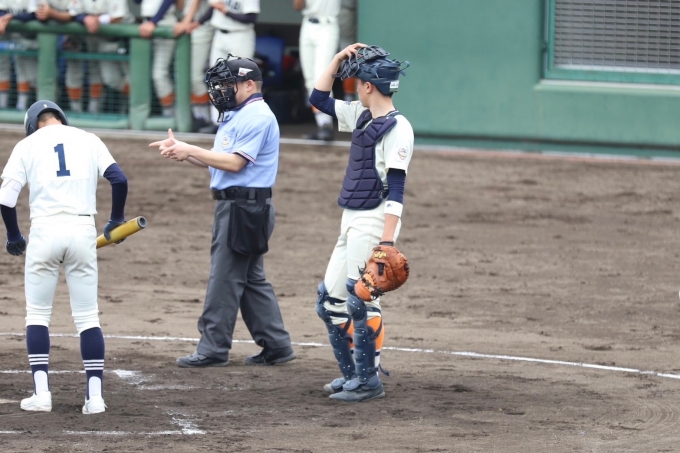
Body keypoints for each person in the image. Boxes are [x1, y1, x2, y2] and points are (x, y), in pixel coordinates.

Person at [149, 55, 295, 368]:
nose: (221, 91)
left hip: (243, 208)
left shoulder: (257, 116)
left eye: (228, 85)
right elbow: (217, 160)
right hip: (242, 205)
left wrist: (191, 149)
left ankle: (213, 348)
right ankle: (277, 345)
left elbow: (235, 163)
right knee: (251, 279)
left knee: (224, 279)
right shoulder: (237, 114)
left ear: (249, 84)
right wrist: (183, 151)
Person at [0, 100, 129, 413]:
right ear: (61, 118)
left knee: (37, 315)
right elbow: (119, 179)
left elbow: (6, 199)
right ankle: (95, 398)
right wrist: (115, 219)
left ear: (33, 124)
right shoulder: (89, 139)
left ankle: (42, 394)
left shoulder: (26, 145)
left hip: (44, 231)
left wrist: (14, 236)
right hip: (82, 231)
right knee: (87, 317)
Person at [308, 43, 413, 402]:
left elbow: (397, 188)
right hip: (351, 216)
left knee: (361, 300)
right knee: (329, 301)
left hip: (375, 219)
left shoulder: (398, 127)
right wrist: (337, 59)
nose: (353, 87)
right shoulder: (360, 115)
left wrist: (387, 241)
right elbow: (318, 99)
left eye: (356, 82)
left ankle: (368, 381)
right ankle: (352, 374)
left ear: (368, 86)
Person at [196, 0, 259, 134]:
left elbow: (251, 18)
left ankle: (242, 123)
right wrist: (197, 23)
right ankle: (218, 122)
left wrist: (226, 11)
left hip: (240, 36)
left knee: (240, 81)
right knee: (216, 80)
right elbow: (213, 8)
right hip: (219, 35)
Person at [70, 0, 132, 114]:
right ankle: (130, 98)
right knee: (110, 79)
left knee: (132, 78)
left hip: (126, 40)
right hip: (102, 40)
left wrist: (96, 19)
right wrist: (85, 18)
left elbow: (117, 17)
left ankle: (135, 105)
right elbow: (74, 12)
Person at [293, 0, 340, 142]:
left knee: (322, 76)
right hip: (307, 25)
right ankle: (322, 124)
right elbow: (297, 6)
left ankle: (326, 125)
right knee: (310, 80)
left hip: (327, 25)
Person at [173, 0, 214, 131]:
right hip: (186, 25)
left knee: (195, 77)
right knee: (183, 77)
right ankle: (196, 116)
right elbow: (180, 7)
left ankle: (205, 118)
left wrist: (186, 21)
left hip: (200, 25)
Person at [136, 0, 180, 117]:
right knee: (143, 75)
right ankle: (167, 113)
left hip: (163, 23)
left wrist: (154, 21)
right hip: (146, 24)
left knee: (159, 75)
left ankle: (171, 114)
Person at [0, 0, 40, 111]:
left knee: (31, 74)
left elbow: (33, 15)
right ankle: (4, 106)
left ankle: (26, 107)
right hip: (8, 34)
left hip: (31, 39)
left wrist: (11, 17)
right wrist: (4, 18)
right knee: (4, 67)